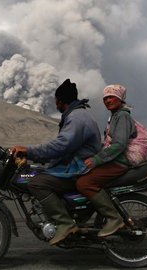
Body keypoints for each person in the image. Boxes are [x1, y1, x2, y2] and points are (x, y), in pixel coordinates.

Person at [12, 78, 101, 245]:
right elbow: (63, 148)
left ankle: (65, 224)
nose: (55, 104)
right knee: (40, 172)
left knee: (36, 183)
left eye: (56, 101)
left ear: (61, 101)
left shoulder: (76, 118)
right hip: (77, 165)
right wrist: (39, 159)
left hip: (79, 169)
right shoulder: (77, 115)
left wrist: (30, 151)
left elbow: (61, 146)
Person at [76, 84, 136, 237]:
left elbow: (120, 144)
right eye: (105, 98)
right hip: (114, 160)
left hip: (119, 162)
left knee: (84, 183)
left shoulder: (122, 116)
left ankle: (113, 218)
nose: (108, 100)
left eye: (111, 97)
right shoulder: (115, 116)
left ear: (120, 98)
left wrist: (97, 159)